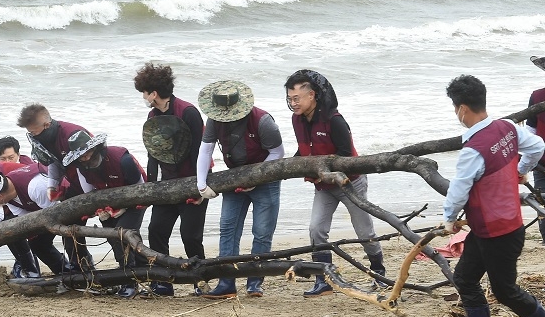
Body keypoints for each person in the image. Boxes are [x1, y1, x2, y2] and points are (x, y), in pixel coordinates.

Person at [443, 74, 545, 317]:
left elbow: (458, 190)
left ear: (462, 108)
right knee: (465, 279)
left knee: (505, 291)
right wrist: (521, 170)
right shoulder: (507, 127)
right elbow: (537, 145)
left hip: (498, 233)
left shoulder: (472, 150)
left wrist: (449, 219)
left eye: (455, 108)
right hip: (496, 228)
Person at [284, 69, 387, 297]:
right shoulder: (296, 119)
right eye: (290, 99)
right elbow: (304, 149)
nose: (293, 103)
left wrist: (328, 173)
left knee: (365, 232)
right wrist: (286, 166)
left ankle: (380, 274)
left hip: (351, 183)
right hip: (322, 186)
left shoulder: (334, 120)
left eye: (297, 98)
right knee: (316, 229)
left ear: (312, 96)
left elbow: (346, 156)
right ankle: (324, 280)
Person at [195, 80, 284, 299]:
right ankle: (227, 283)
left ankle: (255, 282)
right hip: (234, 178)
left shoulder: (263, 121)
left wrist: (256, 177)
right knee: (228, 228)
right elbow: (205, 150)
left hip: (266, 179)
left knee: (262, 232)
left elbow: (278, 154)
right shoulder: (215, 119)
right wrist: (201, 184)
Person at [133, 63, 209, 297]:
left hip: (193, 182)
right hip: (166, 185)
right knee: (156, 230)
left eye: (144, 93)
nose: (144, 97)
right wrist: (152, 186)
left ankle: (202, 281)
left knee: (190, 236)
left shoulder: (188, 112)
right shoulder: (152, 115)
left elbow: (200, 151)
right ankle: (163, 283)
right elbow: (152, 153)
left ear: (153, 93)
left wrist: (199, 187)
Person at [62, 130, 148, 299]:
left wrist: (123, 208)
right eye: (81, 156)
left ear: (97, 148)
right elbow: (91, 195)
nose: (86, 158)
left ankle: (134, 279)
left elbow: (141, 189)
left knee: (124, 234)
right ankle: (133, 274)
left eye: (88, 153)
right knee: (112, 237)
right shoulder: (81, 169)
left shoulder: (123, 160)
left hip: (135, 201)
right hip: (106, 204)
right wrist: (102, 210)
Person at [17, 103, 94, 271]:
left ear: (46, 125)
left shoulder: (72, 135)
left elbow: (86, 166)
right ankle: (81, 267)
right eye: (30, 133)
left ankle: (131, 274)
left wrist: (90, 199)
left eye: (34, 133)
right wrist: (52, 186)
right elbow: (54, 161)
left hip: (96, 182)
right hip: (75, 184)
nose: (33, 136)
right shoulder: (46, 138)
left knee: (114, 230)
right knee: (67, 227)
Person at [0, 165, 70, 275]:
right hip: (48, 210)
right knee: (37, 244)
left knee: (69, 239)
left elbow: (57, 213)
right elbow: (25, 218)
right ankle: (64, 272)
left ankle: (79, 269)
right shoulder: (8, 197)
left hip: (69, 203)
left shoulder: (35, 187)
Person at [525, 55, 545, 244]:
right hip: (541, 164)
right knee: (543, 208)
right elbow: (530, 130)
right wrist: (527, 162)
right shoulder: (537, 96)